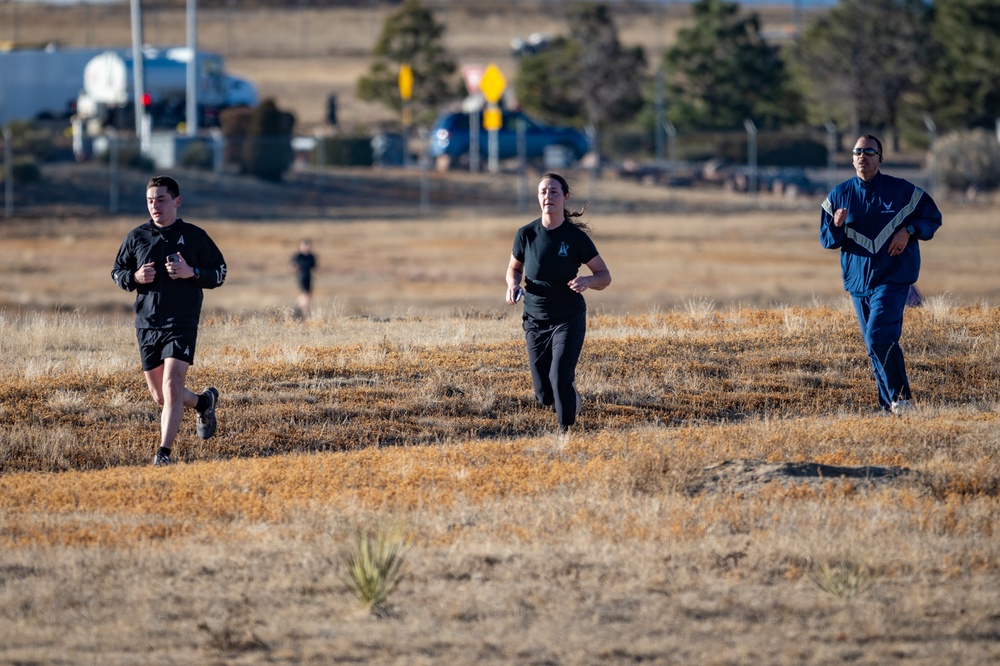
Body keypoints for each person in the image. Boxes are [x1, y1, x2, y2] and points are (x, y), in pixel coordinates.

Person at [820, 134, 942, 414]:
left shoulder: (901, 191)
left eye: (870, 151)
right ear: (852, 159)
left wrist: (909, 231)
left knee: (879, 337)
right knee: (873, 345)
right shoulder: (839, 195)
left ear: (880, 158)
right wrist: (837, 225)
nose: (863, 155)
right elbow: (828, 239)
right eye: (858, 151)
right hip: (858, 282)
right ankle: (888, 407)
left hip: (892, 277)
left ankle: (903, 400)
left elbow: (932, 217)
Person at [112, 176, 228, 466]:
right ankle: (203, 402)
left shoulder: (195, 236)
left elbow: (221, 272)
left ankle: (163, 454)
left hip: (182, 321)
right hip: (147, 324)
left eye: (161, 199)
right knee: (161, 397)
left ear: (177, 201)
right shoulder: (136, 237)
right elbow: (116, 271)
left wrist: (193, 272)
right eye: (150, 200)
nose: (155, 206)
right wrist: (134, 278)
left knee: (172, 385)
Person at [505, 172, 612, 433]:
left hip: (568, 318)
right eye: (543, 191)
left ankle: (566, 436)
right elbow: (513, 269)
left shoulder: (575, 237)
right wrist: (512, 284)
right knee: (544, 394)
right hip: (535, 319)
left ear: (565, 197)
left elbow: (604, 276)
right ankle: (570, 398)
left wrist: (587, 281)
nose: (547, 196)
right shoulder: (526, 234)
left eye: (554, 191)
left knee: (559, 378)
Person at [289, 238, 317, 319]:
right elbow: (291, 267)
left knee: (308, 296)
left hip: (309, 277)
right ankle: (306, 314)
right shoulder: (298, 256)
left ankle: (297, 308)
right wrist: (295, 267)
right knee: (306, 296)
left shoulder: (311, 256)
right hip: (301, 277)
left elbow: (314, 267)